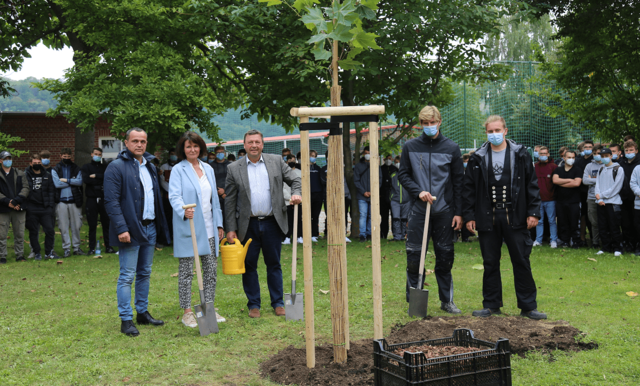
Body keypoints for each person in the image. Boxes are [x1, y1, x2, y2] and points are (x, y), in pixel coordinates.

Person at [463, 115, 546, 320]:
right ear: (486, 133)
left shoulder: (521, 154)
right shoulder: (478, 157)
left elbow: (531, 184)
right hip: (487, 216)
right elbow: (469, 189)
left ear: (505, 131)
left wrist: (533, 212)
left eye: (497, 130)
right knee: (490, 261)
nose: (494, 134)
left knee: (521, 260)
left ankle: (528, 306)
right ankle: (491, 304)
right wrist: (469, 215)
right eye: (490, 131)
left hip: (515, 215)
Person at [224, 129, 301, 318]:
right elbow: (230, 201)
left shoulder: (276, 162)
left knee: (274, 264)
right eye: (250, 142)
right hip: (247, 225)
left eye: (257, 142)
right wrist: (230, 229)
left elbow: (295, 178)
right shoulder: (234, 168)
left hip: (272, 222)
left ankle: (278, 303)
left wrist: (295, 193)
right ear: (244, 145)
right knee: (249, 265)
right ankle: (254, 305)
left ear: (262, 144)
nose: (254, 145)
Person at [398, 105, 464, 314]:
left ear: (439, 122)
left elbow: (459, 182)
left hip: (444, 210)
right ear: (420, 125)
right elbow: (403, 175)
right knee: (415, 256)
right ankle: (414, 300)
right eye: (424, 124)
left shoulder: (451, 148)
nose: (428, 126)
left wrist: (459, 212)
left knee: (444, 255)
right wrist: (419, 192)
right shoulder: (410, 146)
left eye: (432, 123)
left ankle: (447, 301)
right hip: (418, 210)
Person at [104, 127, 170, 337]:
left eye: (143, 141)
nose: (139, 144)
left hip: (150, 227)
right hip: (131, 229)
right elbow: (111, 201)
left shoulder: (149, 166)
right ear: (126, 143)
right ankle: (126, 319)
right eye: (135, 141)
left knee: (145, 272)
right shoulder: (116, 167)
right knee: (127, 275)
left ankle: (142, 312)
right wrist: (122, 228)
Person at [169, 131, 226, 328]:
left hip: (209, 226)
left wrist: (219, 224)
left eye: (195, 146)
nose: (192, 150)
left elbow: (215, 200)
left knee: (210, 270)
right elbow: (174, 196)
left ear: (200, 147)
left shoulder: (208, 168)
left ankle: (208, 306)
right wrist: (184, 211)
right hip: (190, 225)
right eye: (188, 146)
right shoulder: (179, 170)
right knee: (186, 272)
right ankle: (187, 312)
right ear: (182, 150)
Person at [51, 148, 85, 257]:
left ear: (71, 156)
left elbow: (79, 182)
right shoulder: (55, 169)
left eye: (68, 156)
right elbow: (57, 184)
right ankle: (66, 248)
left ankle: (76, 247)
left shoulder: (76, 168)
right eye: (64, 156)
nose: (66, 158)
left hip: (74, 201)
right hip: (60, 202)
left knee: (76, 226)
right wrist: (72, 182)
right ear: (60, 156)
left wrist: (66, 180)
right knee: (63, 226)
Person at [24, 154, 57, 260]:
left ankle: (48, 252)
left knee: (50, 230)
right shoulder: (25, 175)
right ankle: (37, 252)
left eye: (39, 163)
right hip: (31, 208)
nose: (37, 164)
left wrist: (50, 206)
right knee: (33, 232)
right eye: (35, 163)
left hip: (45, 208)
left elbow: (51, 191)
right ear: (30, 163)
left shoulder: (47, 175)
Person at [81, 147, 114, 254]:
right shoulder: (86, 167)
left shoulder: (104, 166)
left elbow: (108, 178)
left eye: (99, 154)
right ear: (91, 154)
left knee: (106, 224)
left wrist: (95, 176)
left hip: (104, 198)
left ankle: (109, 247)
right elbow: (86, 180)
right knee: (92, 225)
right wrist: (99, 180)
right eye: (96, 154)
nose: (97, 156)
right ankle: (92, 248)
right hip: (91, 199)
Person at [0, 151, 30, 264]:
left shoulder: (20, 173)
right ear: (0, 161)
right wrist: (7, 201)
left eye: (9, 158)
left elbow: (26, 188)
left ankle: (20, 255)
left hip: (18, 207)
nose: (8, 160)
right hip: (3, 208)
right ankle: (2, 256)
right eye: (5, 158)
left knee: (19, 233)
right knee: (1, 234)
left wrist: (16, 201)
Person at [595, 148, 624, 256]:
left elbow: (616, 187)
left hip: (613, 202)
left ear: (611, 156)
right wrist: (599, 199)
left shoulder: (618, 168)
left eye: (606, 156)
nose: (604, 158)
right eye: (602, 156)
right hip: (601, 202)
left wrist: (601, 195)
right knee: (602, 226)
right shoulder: (601, 169)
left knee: (614, 226)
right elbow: (597, 184)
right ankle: (605, 247)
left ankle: (617, 248)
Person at [552, 150, 583, 248]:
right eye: (569, 157)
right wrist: (570, 180)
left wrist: (562, 183)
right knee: (562, 222)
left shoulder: (578, 170)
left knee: (574, 222)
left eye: (573, 157)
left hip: (574, 201)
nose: (571, 159)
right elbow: (555, 180)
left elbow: (577, 183)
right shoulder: (558, 170)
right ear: (564, 158)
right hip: (560, 201)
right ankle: (564, 241)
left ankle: (575, 241)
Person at [354, 146, 382, 242]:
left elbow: (379, 180)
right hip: (362, 195)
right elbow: (356, 181)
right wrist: (363, 192)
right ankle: (362, 235)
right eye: (366, 153)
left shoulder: (376, 166)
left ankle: (369, 233)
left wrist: (373, 192)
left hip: (373, 196)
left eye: (369, 153)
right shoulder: (358, 166)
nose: (368, 155)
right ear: (363, 154)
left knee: (371, 215)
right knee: (363, 215)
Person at [532, 146, 558, 248]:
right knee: (539, 221)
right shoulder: (535, 167)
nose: (543, 155)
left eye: (544, 153)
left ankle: (553, 240)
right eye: (541, 154)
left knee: (552, 221)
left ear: (548, 154)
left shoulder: (554, 167)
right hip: (538, 200)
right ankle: (538, 240)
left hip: (551, 199)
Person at [619, 140, 639, 253]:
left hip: (636, 198)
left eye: (631, 150)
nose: (629, 152)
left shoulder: (639, 164)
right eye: (626, 150)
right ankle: (629, 244)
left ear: (636, 151)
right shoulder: (621, 163)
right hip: (624, 197)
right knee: (625, 223)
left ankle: (637, 244)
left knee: (636, 223)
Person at [582, 145, 604, 250]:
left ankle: (605, 241)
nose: (596, 155)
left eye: (598, 153)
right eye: (594, 153)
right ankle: (595, 243)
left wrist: (593, 179)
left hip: (605, 197)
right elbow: (585, 181)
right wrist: (600, 180)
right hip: (591, 197)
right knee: (593, 222)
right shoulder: (589, 166)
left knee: (605, 221)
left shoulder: (607, 165)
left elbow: (608, 181)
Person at [575, 140, 594, 247]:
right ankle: (582, 238)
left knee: (592, 216)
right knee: (583, 215)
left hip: (592, 192)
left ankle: (594, 238)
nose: (587, 149)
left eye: (589, 147)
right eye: (585, 147)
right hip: (581, 192)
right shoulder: (578, 161)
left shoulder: (595, 161)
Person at [282, 154, 303, 245]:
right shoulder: (283, 173)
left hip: (298, 201)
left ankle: (299, 236)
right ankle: (287, 237)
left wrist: (297, 197)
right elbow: (282, 187)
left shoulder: (300, 172)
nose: (292, 162)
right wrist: (290, 198)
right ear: (286, 161)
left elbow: (301, 185)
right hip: (287, 201)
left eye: (293, 160)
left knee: (299, 219)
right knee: (288, 220)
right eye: (290, 160)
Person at [159, 149, 178, 245]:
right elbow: (163, 181)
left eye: (175, 154)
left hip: (179, 197)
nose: (173, 156)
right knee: (168, 217)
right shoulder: (164, 167)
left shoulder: (180, 166)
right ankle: (168, 237)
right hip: (167, 197)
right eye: (172, 154)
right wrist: (171, 192)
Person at [210, 145, 231, 227]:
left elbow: (233, 181)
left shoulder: (230, 165)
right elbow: (209, 181)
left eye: (221, 152)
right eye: (218, 153)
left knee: (229, 219)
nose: (220, 154)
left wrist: (225, 192)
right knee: (217, 219)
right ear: (215, 154)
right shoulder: (210, 166)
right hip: (215, 196)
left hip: (228, 195)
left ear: (225, 153)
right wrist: (219, 192)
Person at [389, 166, 410, 241]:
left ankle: (403, 235)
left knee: (404, 219)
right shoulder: (393, 175)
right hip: (395, 200)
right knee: (396, 218)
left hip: (406, 200)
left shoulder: (409, 174)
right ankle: (397, 236)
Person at [380, 154, 398, 240]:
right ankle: (383, 234)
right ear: (384, 159)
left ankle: (396, 234)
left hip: (393, 195)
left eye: (390, 158)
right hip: (383, 196)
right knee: (384, 216)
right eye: (387, 158)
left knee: (395, 216)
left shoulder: (395, 169)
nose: (388, 160)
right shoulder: (381, 169)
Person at [308, 149, 323, 242]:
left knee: (315, 215)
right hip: (308, 195)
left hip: (318, 195)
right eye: (311, 155)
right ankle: (306, 234)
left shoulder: (318, 169)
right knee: (307, 216)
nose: (312, 157)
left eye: (314, 156)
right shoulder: (303, 168)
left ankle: (315, 234)